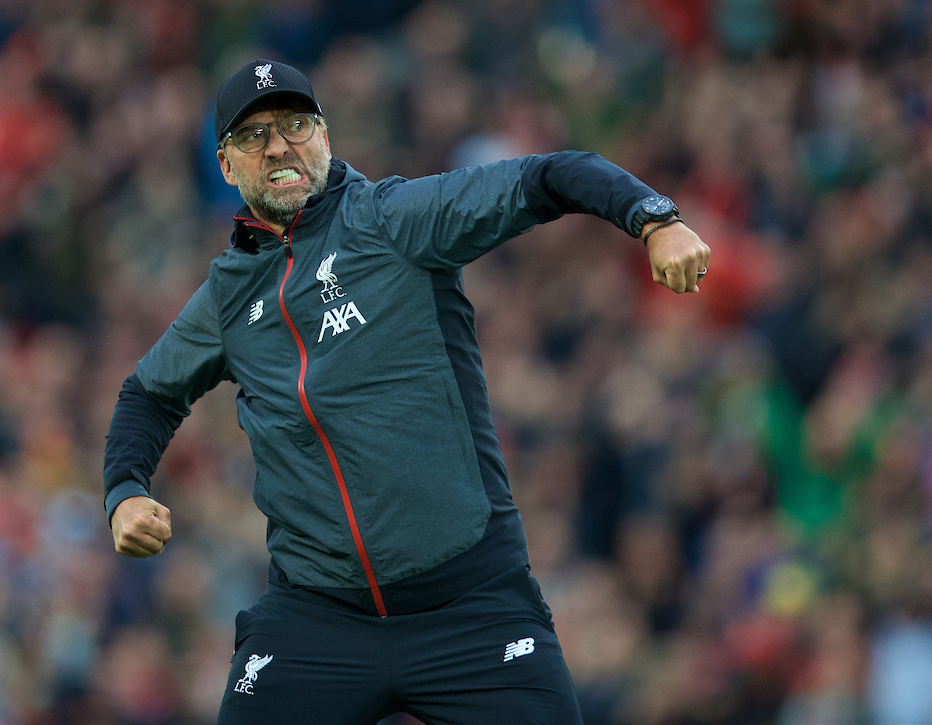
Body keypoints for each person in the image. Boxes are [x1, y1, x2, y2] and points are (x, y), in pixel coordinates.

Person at [103, 59, 710, 725]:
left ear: (324, 135)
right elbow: (148, 393)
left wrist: (655, 219)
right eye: (254, 136)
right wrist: (125, 489)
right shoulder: (226, 297)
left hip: (471, 606)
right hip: (315, 620)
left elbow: (547, 175)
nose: (279, 145)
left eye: (296, 124)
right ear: (225, 165)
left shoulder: (394, 219)